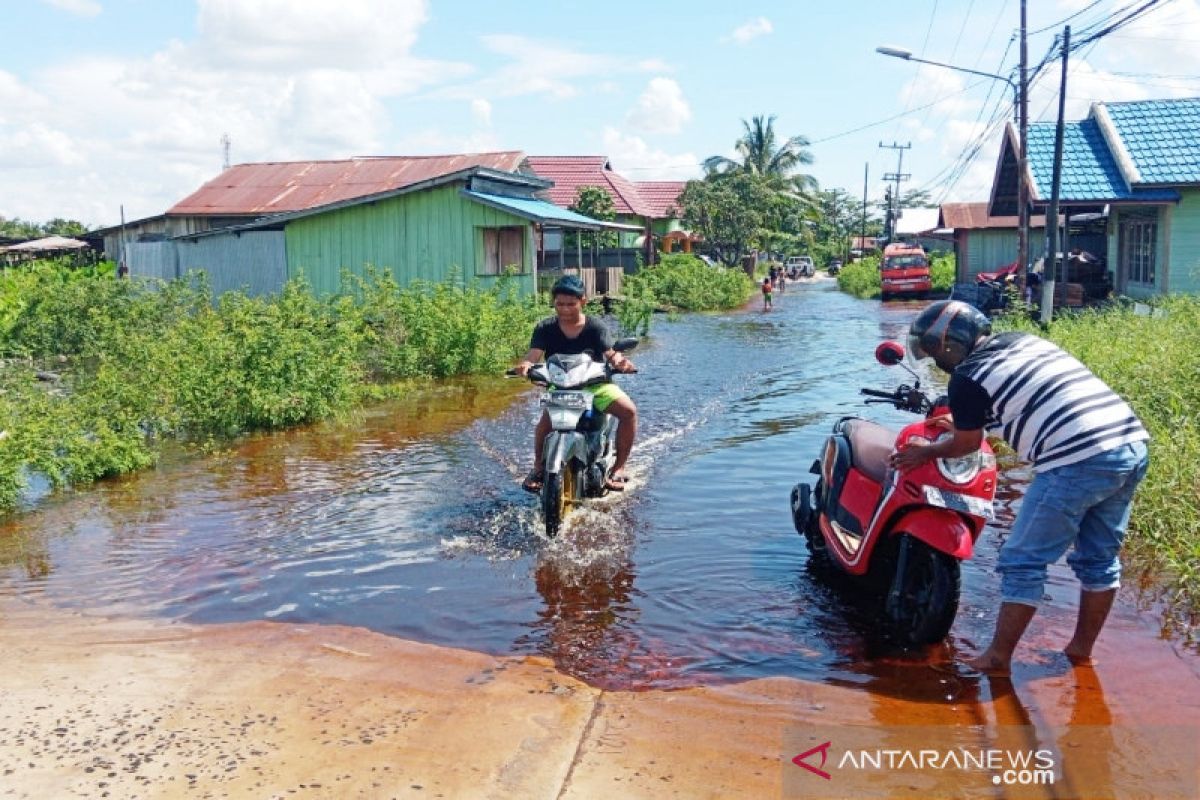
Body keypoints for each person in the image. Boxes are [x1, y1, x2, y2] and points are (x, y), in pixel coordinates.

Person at [889, 300, 1149, 675]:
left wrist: (926, 452)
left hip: (1077, 460)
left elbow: (965, 443)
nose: (935, 362)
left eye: (934, 354)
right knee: (1099, 560)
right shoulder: (1023, 342)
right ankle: (1081, 650)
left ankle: (997, 659)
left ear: (948, 345)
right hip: (1129, 445)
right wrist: (962, 426)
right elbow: (1022, 404)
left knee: (1022, 560)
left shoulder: (968, 377)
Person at [513, 275, 638, 493]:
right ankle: (538, 468)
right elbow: (533, 354)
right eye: (560, 304)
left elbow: (610, 353)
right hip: (560, 386)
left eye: (571, 304)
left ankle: (618, 468)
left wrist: (621, 363)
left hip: (594, 384)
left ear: (583, 301)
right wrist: (525, 365)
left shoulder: (595, 327)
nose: (565, 309)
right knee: (545, 424)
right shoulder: (545, 327)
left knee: (628, 411)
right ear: (554, 302)